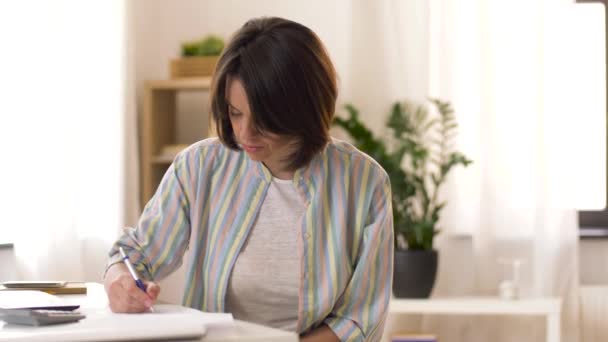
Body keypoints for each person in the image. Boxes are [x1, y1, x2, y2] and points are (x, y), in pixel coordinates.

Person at [104, 16, 393, 342]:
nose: (244, 133)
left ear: (304, 110)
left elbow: (361, 317)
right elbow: (133, 254)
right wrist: (120, 282)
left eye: (264, 120)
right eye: (235, 112)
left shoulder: (364, 183)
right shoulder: (199, 167)